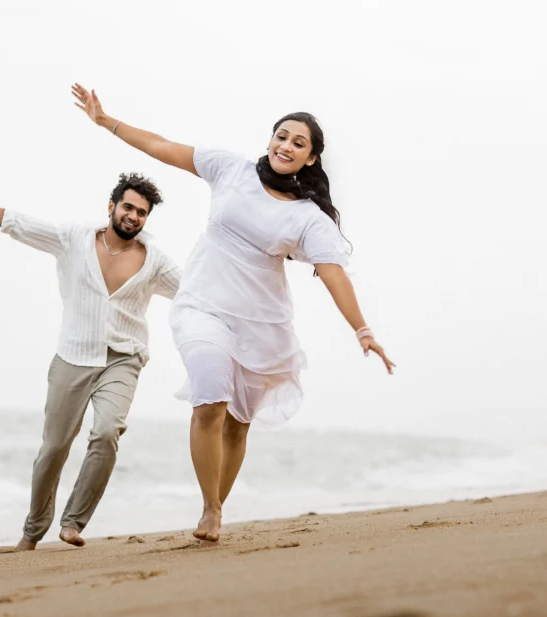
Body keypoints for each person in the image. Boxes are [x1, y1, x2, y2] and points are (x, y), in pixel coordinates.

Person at [71, 83, 395, 543]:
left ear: (311, 160)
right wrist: (107, 122)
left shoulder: (309, 218)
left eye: (298, 143)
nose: (286, 145)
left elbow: (335, 274)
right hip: (201, 306)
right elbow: (163, 147)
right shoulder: (231, 169)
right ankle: (210, 508)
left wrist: (362, 329)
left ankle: (215, 509)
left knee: (238, 425)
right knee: (210, 395)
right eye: (281, 136)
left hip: (260, 323)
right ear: (270, 140)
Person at [0, 174, 180, 550]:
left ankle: (74, 522)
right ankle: (32, 531)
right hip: (74, 355)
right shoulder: (73, 239)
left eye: (142, 213)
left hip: (122, 358)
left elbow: (196, 292)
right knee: (55, 446)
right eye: (128, 207)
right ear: (111, 207)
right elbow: (16, 223)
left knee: (107, 431)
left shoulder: (154, 261)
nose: (133, 216)